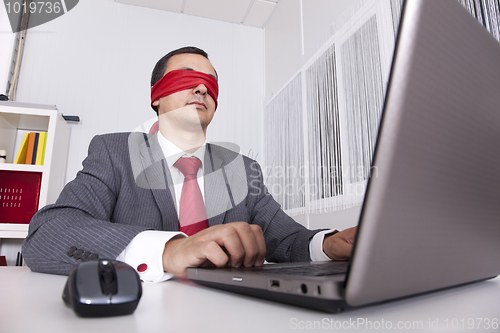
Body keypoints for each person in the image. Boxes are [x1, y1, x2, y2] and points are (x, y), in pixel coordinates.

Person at [22, 46, 357, 282]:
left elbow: (286, 240)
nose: (201, 88)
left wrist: (329, 244)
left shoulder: (244, 170)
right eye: (187, 79)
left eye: (210, 83)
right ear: (156, 95)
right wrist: (169, 251)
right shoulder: (114, 152)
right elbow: (47, 233)